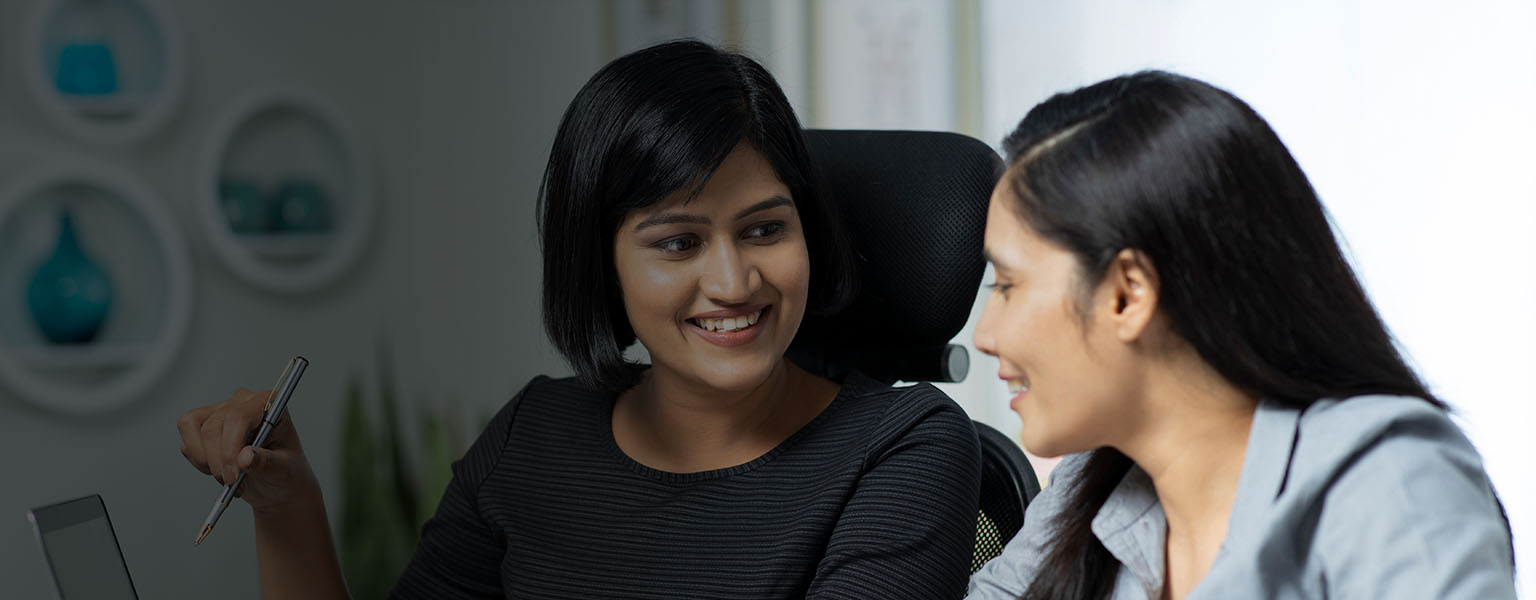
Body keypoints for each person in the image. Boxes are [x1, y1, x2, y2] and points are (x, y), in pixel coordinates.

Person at [175, 40, 982, 599]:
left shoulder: (904, 447)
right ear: (604, 264)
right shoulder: (536, 436)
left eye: (766, 228)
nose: (733, 281)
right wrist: (288, 505)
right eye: (678, 242)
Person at [965, 71, 1516, 599]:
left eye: (1007, 285)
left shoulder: (1387, 482)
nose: (985, 335)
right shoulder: (1094, 481)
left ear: (1127, 294)